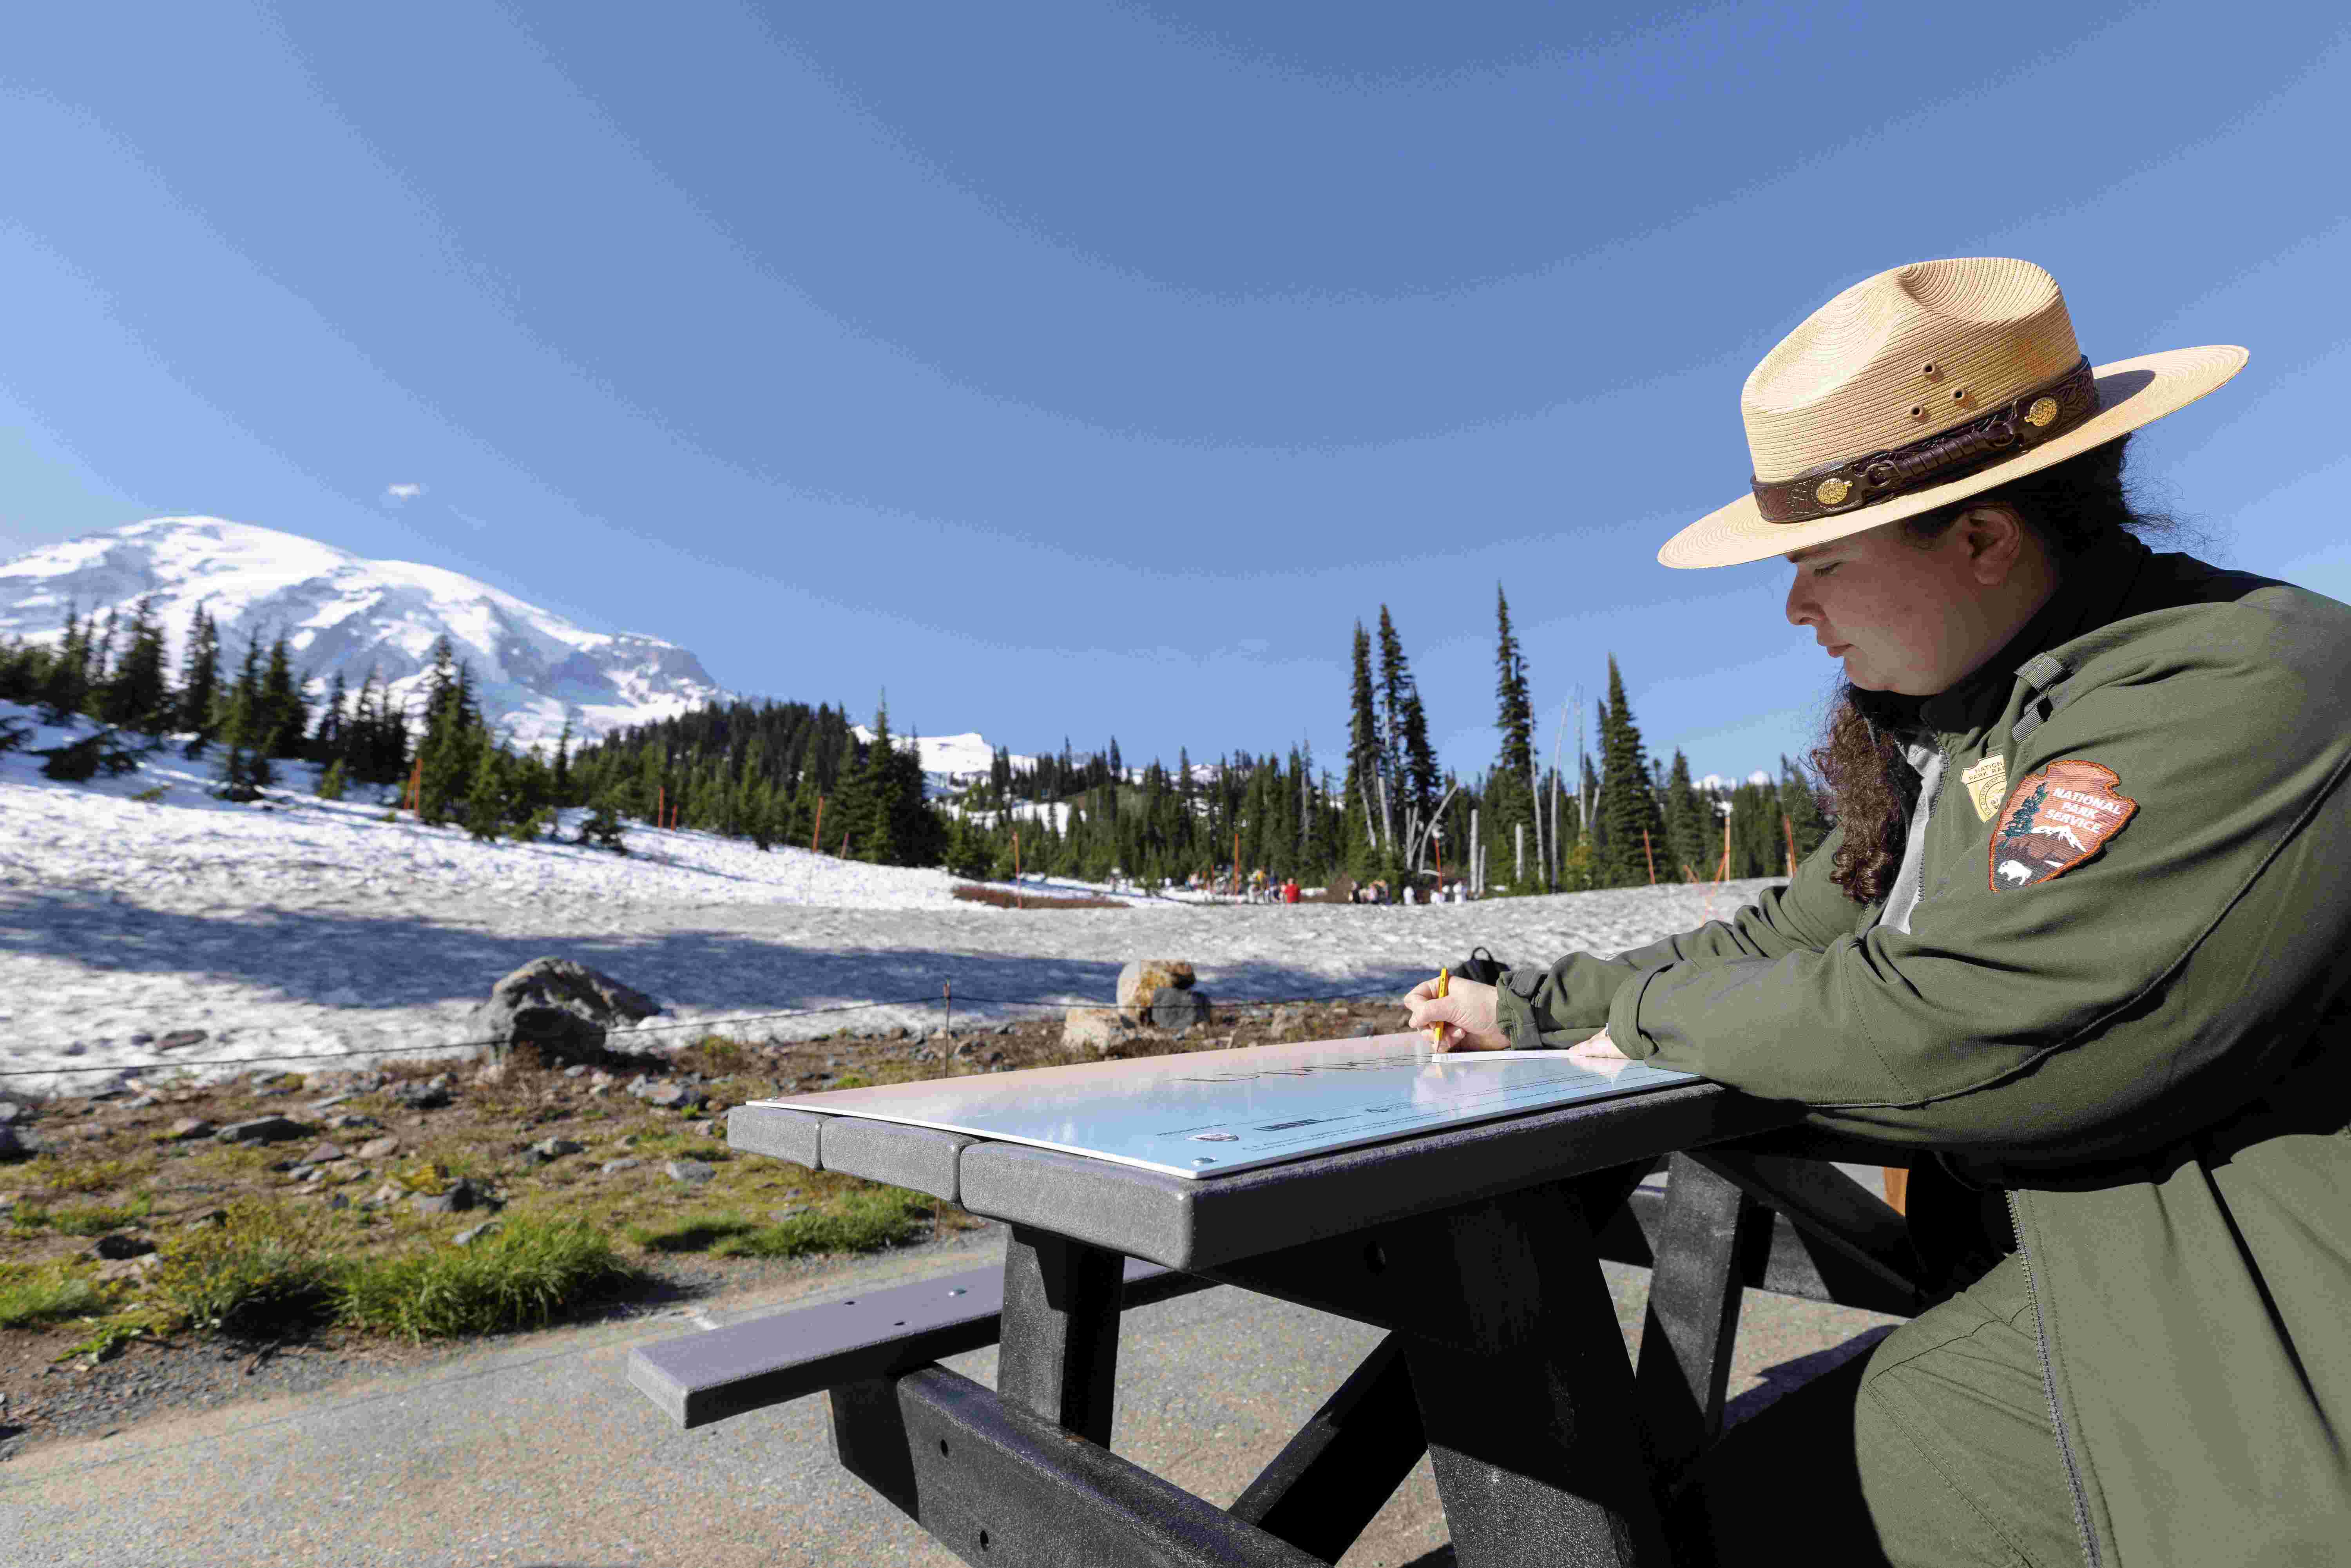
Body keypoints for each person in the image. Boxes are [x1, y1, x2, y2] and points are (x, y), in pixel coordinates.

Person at [1403, 257, 2350, 1566]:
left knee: (1669, 1526)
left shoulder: (2233, 682)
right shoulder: (1964, 732)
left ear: (1979, 540)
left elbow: (1956, 1027)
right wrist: (1529, 1004)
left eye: (1824, 564)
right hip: (2099, 1297)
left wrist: (1652, 1021)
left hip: (2257, 1377)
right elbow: (1781, 942)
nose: (1795, 606)